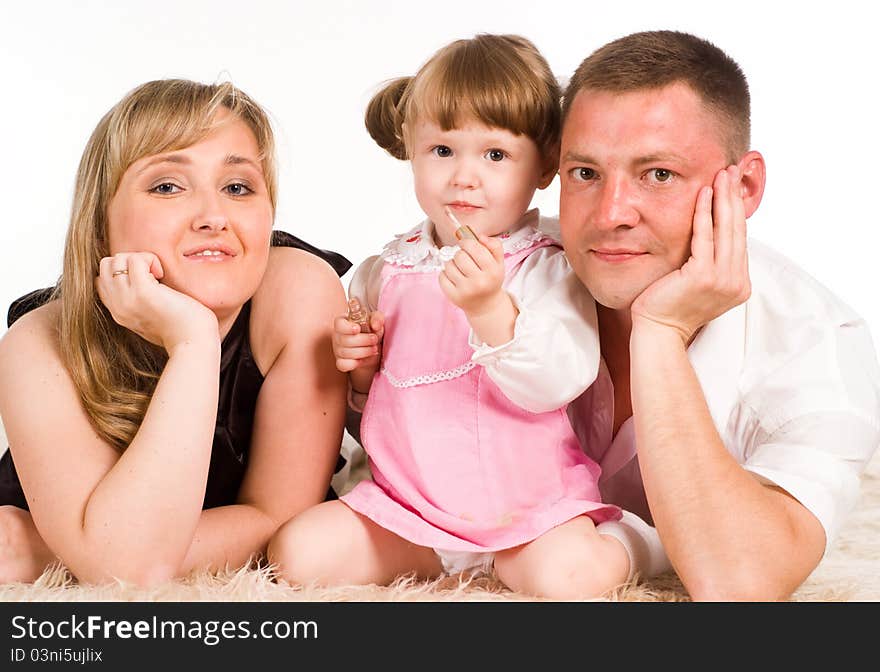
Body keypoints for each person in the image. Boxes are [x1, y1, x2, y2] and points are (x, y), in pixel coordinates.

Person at [269, 34, 649, 599]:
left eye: (495, 155)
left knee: (564, 577)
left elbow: (557, 383)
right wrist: (360, 369)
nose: (464, 176)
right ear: (411, 151)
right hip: (411, 506)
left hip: (527, 512)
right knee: (298, 553)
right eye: (443, 151)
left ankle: (638, 539)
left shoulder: (544, 266)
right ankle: (448, 563)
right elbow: (377, 412)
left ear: (545, 165)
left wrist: (491, 308)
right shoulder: (387, 269)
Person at [556, 30, 880, 600]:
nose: (610, 214)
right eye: (585, 173)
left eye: (658, 174)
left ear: (746, 186)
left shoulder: (818, 344)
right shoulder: (508, 271)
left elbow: (739, 582)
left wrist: (659, 334)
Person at [0, 79, 351, 586]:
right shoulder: (37, 346)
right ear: (101, 224)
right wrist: (194, 342)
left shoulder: (297, 291)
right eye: (167, 186)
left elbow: (281, 518)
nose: (214, 217)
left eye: (237, 187)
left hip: (80, 541)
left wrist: (52, 552)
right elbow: (129, 574)